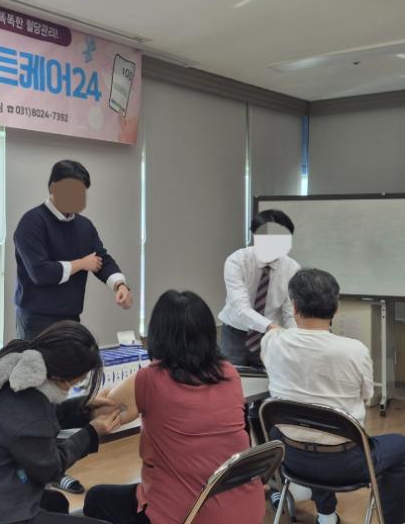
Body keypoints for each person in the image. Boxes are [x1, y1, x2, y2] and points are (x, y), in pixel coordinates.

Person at [82, 290, 265, 524]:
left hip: (189, 516)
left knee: (96, 499)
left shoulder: (150, 380)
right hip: (246, 510)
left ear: (158, 334)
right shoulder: (229, 372)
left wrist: (97, 398)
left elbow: (101, 413)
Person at [262, 269, 405, 524]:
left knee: (305, 426)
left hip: (291, 458)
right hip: (346, 465)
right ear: (335, 307)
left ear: (294, 306)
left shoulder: (271, 342)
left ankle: (326, 517)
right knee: (400, 446)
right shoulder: (354, 350)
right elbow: (367, 395)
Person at [0, 321, 122, 524]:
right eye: (80, 377)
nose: (81, 381)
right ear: (60, 374)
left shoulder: (10, 366)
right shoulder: (27, 407)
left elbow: (29, 424)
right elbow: (51, 468)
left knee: (56, 502)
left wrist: (83, 407)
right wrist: (91, 433)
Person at [14, 159, 133, 342]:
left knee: (72, 361)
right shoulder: (31, 222)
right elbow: (40, 272)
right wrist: (81, 264)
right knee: (37, 362)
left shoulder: (84, 226)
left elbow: (101, 259)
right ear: (53, 188)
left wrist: (120, 285)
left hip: (71, 318)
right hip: (36, 320)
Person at [219, 209, 300, 367]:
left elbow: (289, 312)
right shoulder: (237, 261)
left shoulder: (292, 268)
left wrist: (294, 337)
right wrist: (269, 326)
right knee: (231, 375)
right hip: (236, 332)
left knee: (269, 377)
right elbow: (240, 307)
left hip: (271, 336)